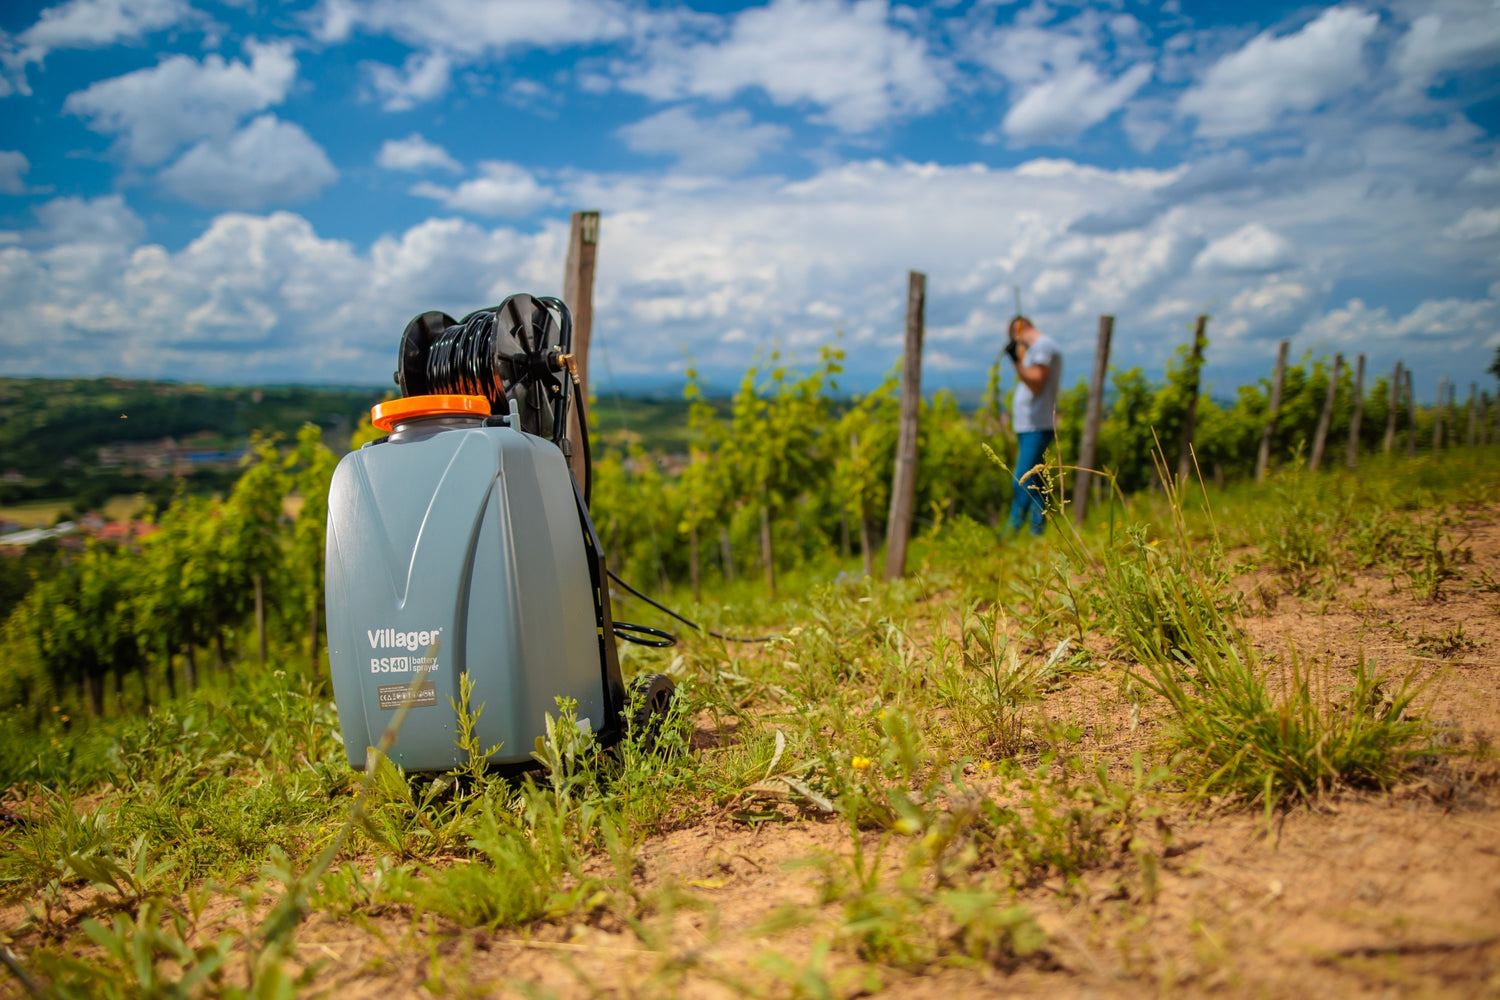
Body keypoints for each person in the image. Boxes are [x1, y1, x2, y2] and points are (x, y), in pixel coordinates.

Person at [1004, 315, 1062, 535]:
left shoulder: (1043, 347)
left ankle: (1013, 530)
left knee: (1021, 480)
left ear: (1019, 330)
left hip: (1035, 425)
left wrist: (1016, 361)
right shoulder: (1039, 349)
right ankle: (1037, 531)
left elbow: (1036, 382)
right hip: (1030, 425)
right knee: (1035, 482)